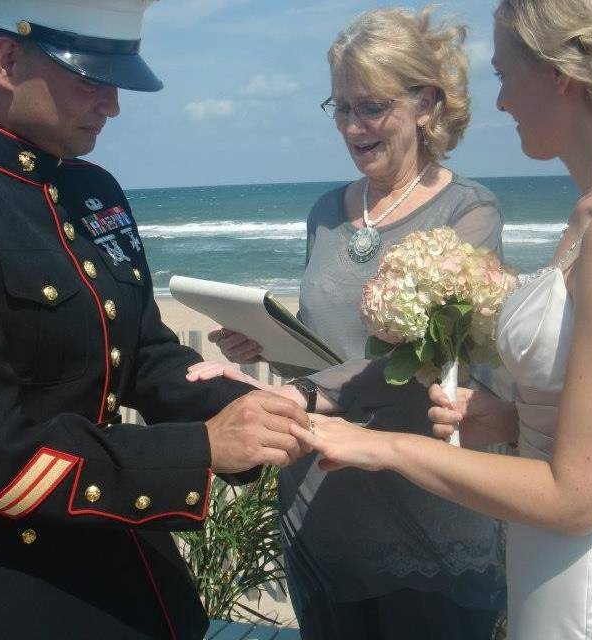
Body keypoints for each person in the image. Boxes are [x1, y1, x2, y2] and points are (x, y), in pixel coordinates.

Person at [0, 2, 309, 638]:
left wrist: (255, 411)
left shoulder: (95, 193)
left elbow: (147, 354)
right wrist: (202, 447)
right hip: (9, 594)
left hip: (131, 578)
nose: (113, 105)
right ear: (7, 62)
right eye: (91, 79)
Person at [294, 1, 592, 638]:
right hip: (572, 559)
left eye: (505, 76)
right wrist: (510, 422)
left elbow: (579, 495)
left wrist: (381, 446)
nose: (500, 103)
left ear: (558, 74)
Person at [188, 8, 507, 639]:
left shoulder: (467, 210)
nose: (355, 126)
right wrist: (269, 349)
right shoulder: (326, 212)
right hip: (320, 502)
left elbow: (416, 357)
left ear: (426, 103)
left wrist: (301, 392)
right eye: (341, 108)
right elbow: (327, 351)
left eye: (372, 107)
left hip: (424, 506)